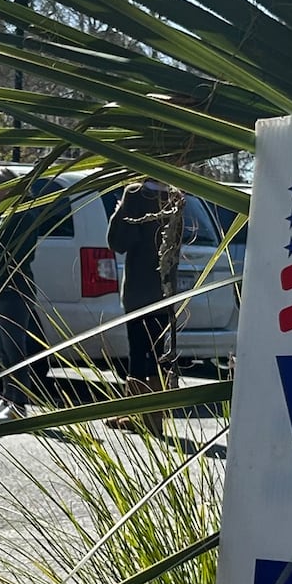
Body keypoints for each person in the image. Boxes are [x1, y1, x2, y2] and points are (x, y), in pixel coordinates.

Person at [105, 176, 186, 432]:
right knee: (157, 351)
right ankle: (154, 415)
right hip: (164, 288)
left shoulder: (135, 194)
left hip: (139, 288)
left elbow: (119, 242)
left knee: (138, 351)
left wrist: (120, 210)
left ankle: (136, 413)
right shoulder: (176, 195)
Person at [0, 168, 53, 423]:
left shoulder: (24, 214)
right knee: (0, 346)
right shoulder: (5, 214)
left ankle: (19, 403)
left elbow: (20, 252)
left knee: (13, 345)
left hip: (14, 287)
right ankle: (7, 396)